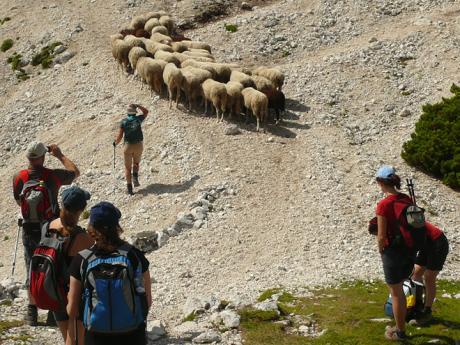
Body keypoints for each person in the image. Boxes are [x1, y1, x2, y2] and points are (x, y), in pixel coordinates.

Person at [12, 141, 80, 326]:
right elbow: (75, 172)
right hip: (51, 228)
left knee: (31, 266)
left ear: (28, 157)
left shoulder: (19, 177)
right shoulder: (53, 176)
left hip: (29, 229)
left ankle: (32, 312)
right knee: (54, 266)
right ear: (42, 157)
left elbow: (19, 201)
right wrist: (59, 155)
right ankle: (53, 311)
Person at [67, 202, 152, 345]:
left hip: (96, 334)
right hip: (132, 333)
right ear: (116, 226)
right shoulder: (134, 256)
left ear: (92, 228)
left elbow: (72, 309)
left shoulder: (82, 260)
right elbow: (147, 300)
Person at [47, 186, 94, 344]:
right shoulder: (83, 238)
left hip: (54, 290)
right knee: (77, 340)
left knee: (67, 336)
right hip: (73, 295)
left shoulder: (51, 225)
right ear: (81, 210)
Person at [375, 165, 415, 341]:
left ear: (380, 182)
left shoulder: (384, 204)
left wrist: (381, 251)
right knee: (401, 287)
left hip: (392, 252)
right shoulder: (405, 198)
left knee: (396, 292)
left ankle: (400, 332)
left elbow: (381, 236)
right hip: (409, 249)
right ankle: (404, 322)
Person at [411, 222, 449, 325]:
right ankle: (417, 305)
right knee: (416, 274)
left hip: (437, 243)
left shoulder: (405, 221)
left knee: (429, 278)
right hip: (426, 243)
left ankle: (427, 311)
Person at [113, 104, 149, 195]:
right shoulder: (138, 119)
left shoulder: (124, 122)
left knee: (127, 168)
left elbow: (120, 136)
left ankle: (129, 190)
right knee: (136, 163)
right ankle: (135, 177)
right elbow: (146, 111)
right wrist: (139, 106)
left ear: (127, 112)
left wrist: (115, 143)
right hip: (138, 145)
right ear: (135, 112)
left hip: (128, 146)